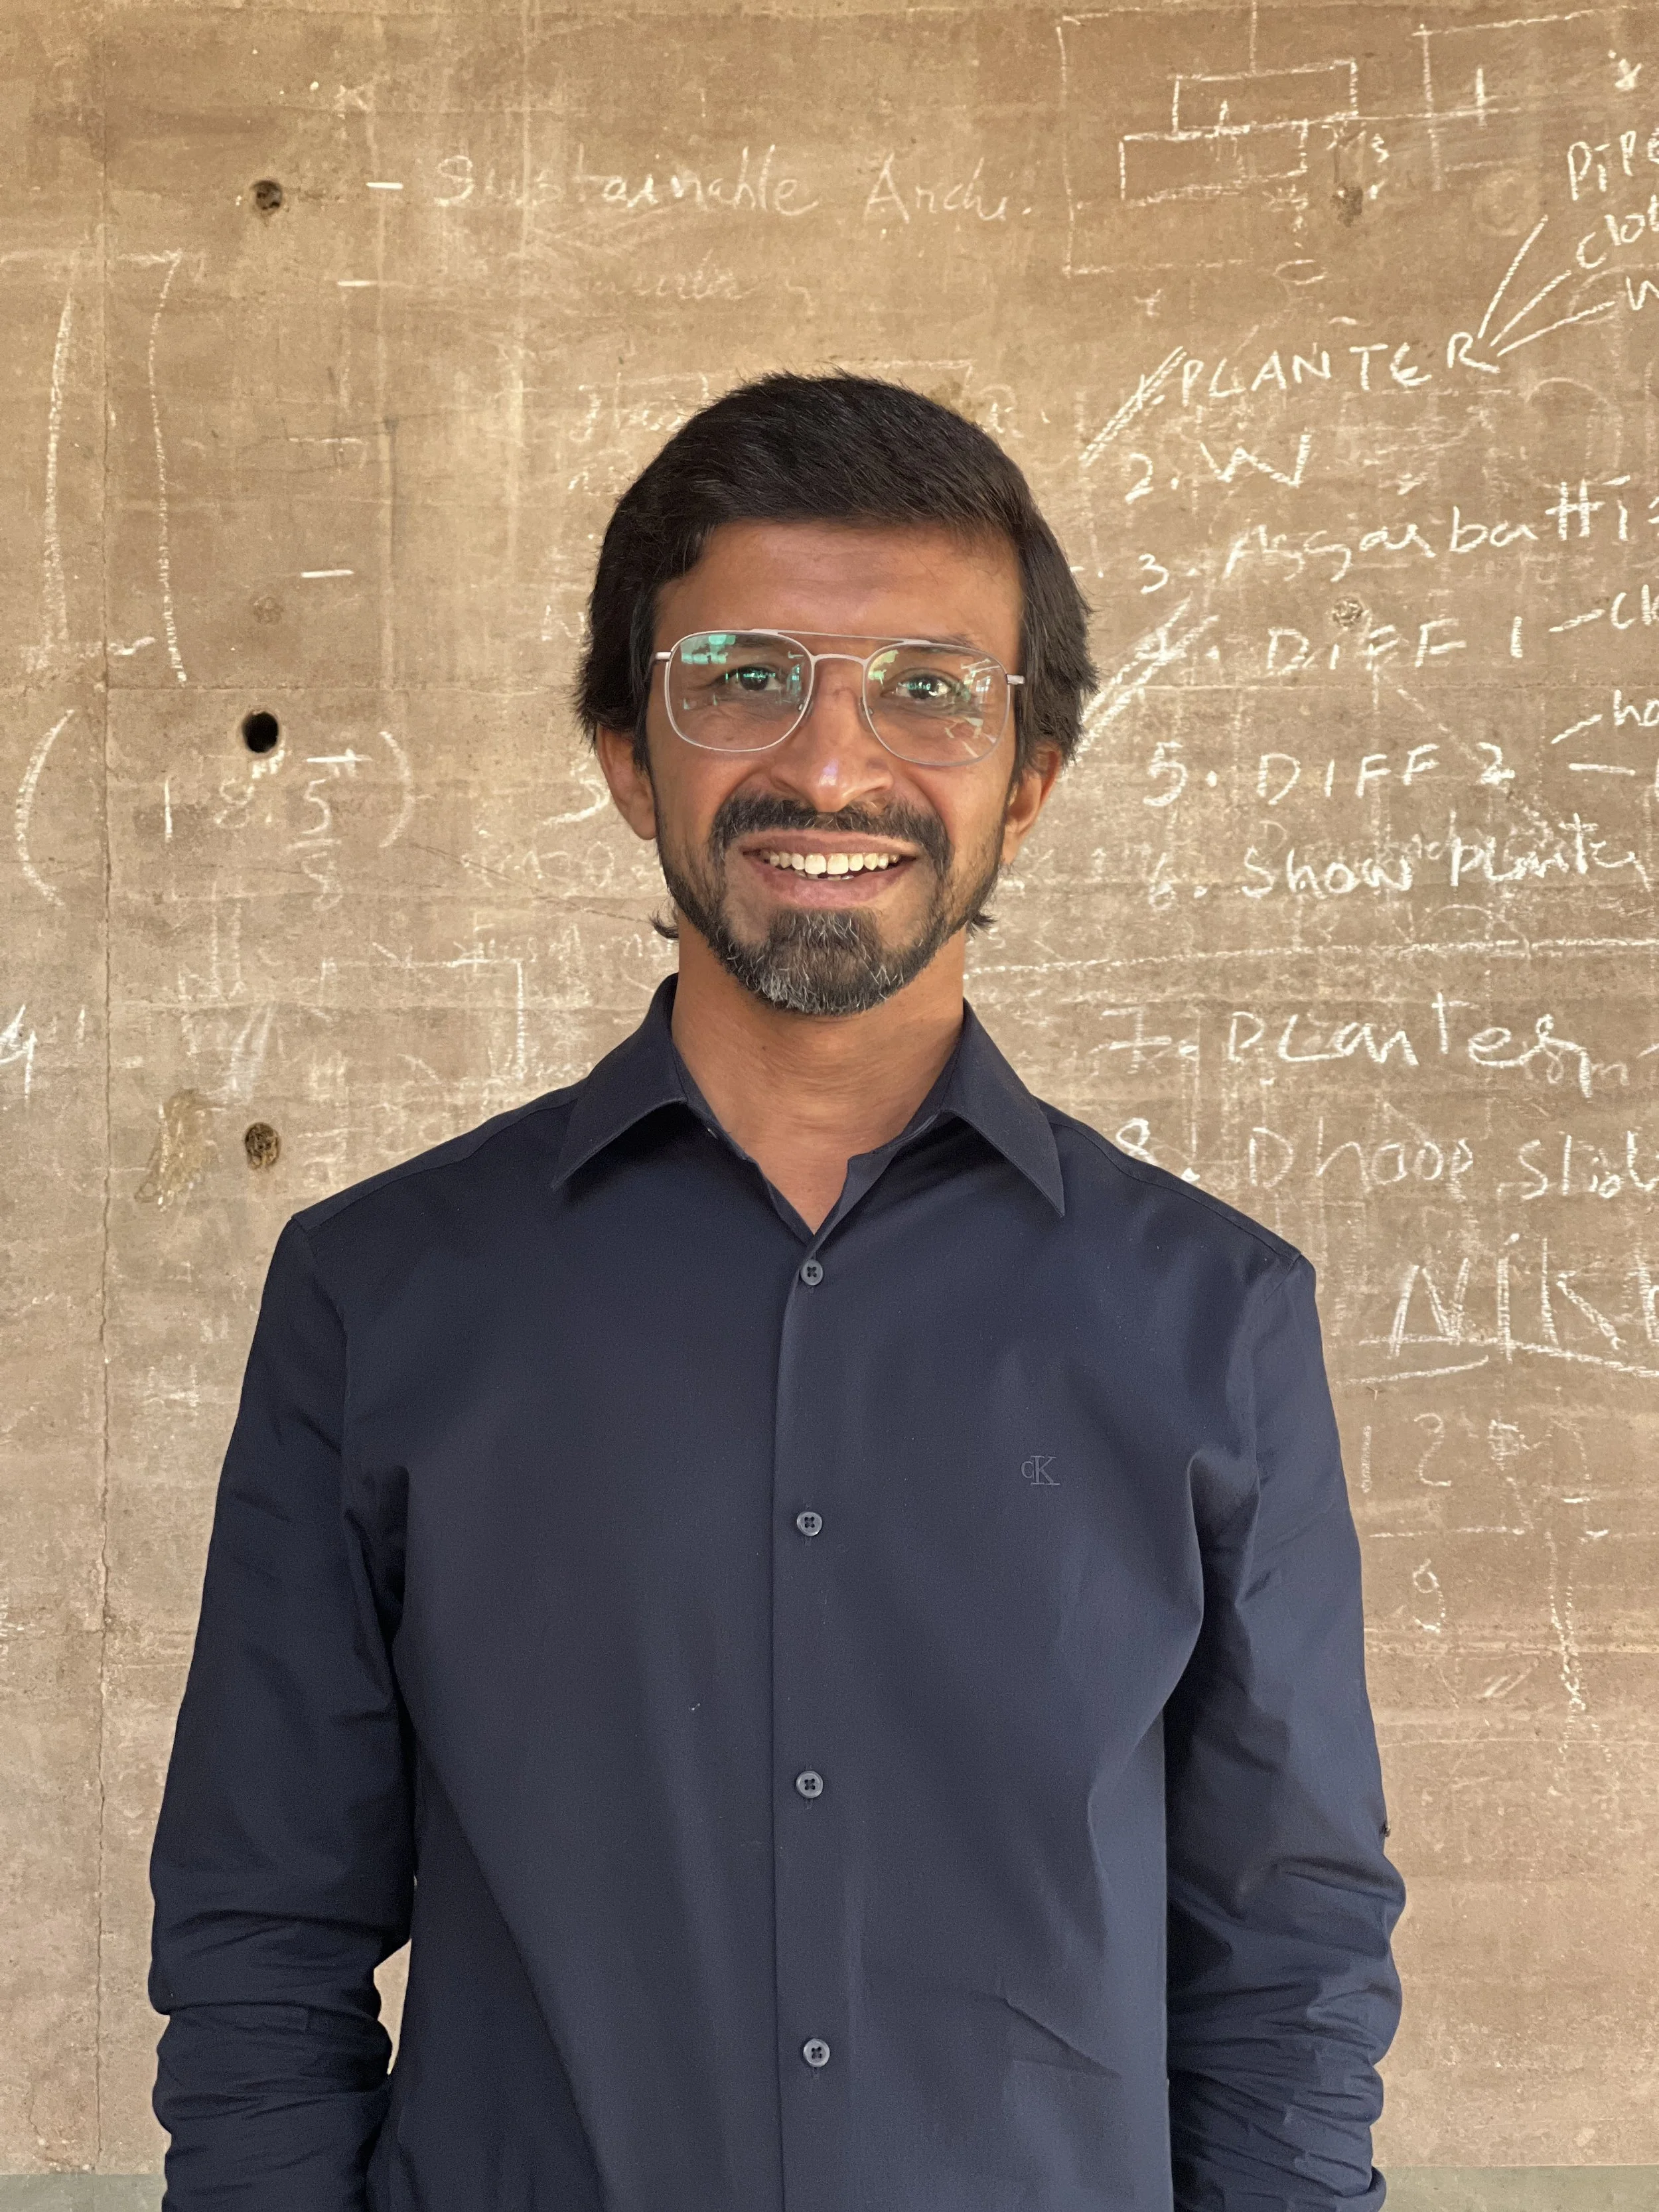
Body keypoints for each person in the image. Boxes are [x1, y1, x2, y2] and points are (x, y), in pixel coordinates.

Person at [149, 372, 1403, 2209]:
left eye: (927, 688)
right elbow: (264, 1933)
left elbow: (1285, 1973)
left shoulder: (1212, 1321)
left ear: (1027, 776)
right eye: (741, 676)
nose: (829, 765)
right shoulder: (381, 1297)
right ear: (623, 752)